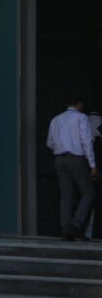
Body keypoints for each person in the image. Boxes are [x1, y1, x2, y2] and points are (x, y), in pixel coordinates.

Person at [46, 97, 99, 241]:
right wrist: (93, 165)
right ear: (79, 104)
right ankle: (76, 224)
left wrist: (61, 148)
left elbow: (50, 142)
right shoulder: (81, 118)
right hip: (76, 159)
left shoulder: (56, 119)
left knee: (66, 196)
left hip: (59, 159)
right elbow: (86, 142)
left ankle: (66, 231)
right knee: (88, 192)